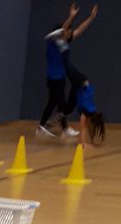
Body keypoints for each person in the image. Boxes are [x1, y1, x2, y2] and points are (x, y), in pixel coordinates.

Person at [38, 3, 98, 138]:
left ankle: (42, 127)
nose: (70, 33)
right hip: (54, 78)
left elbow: (78, 30)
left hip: (61, 77)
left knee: (52, 103)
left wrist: (90, 18)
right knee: (62, 104)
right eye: (67, 31)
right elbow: (64, 29)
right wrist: (71, 16)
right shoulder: (53, 42)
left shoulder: (64, 42)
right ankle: (64, 128)